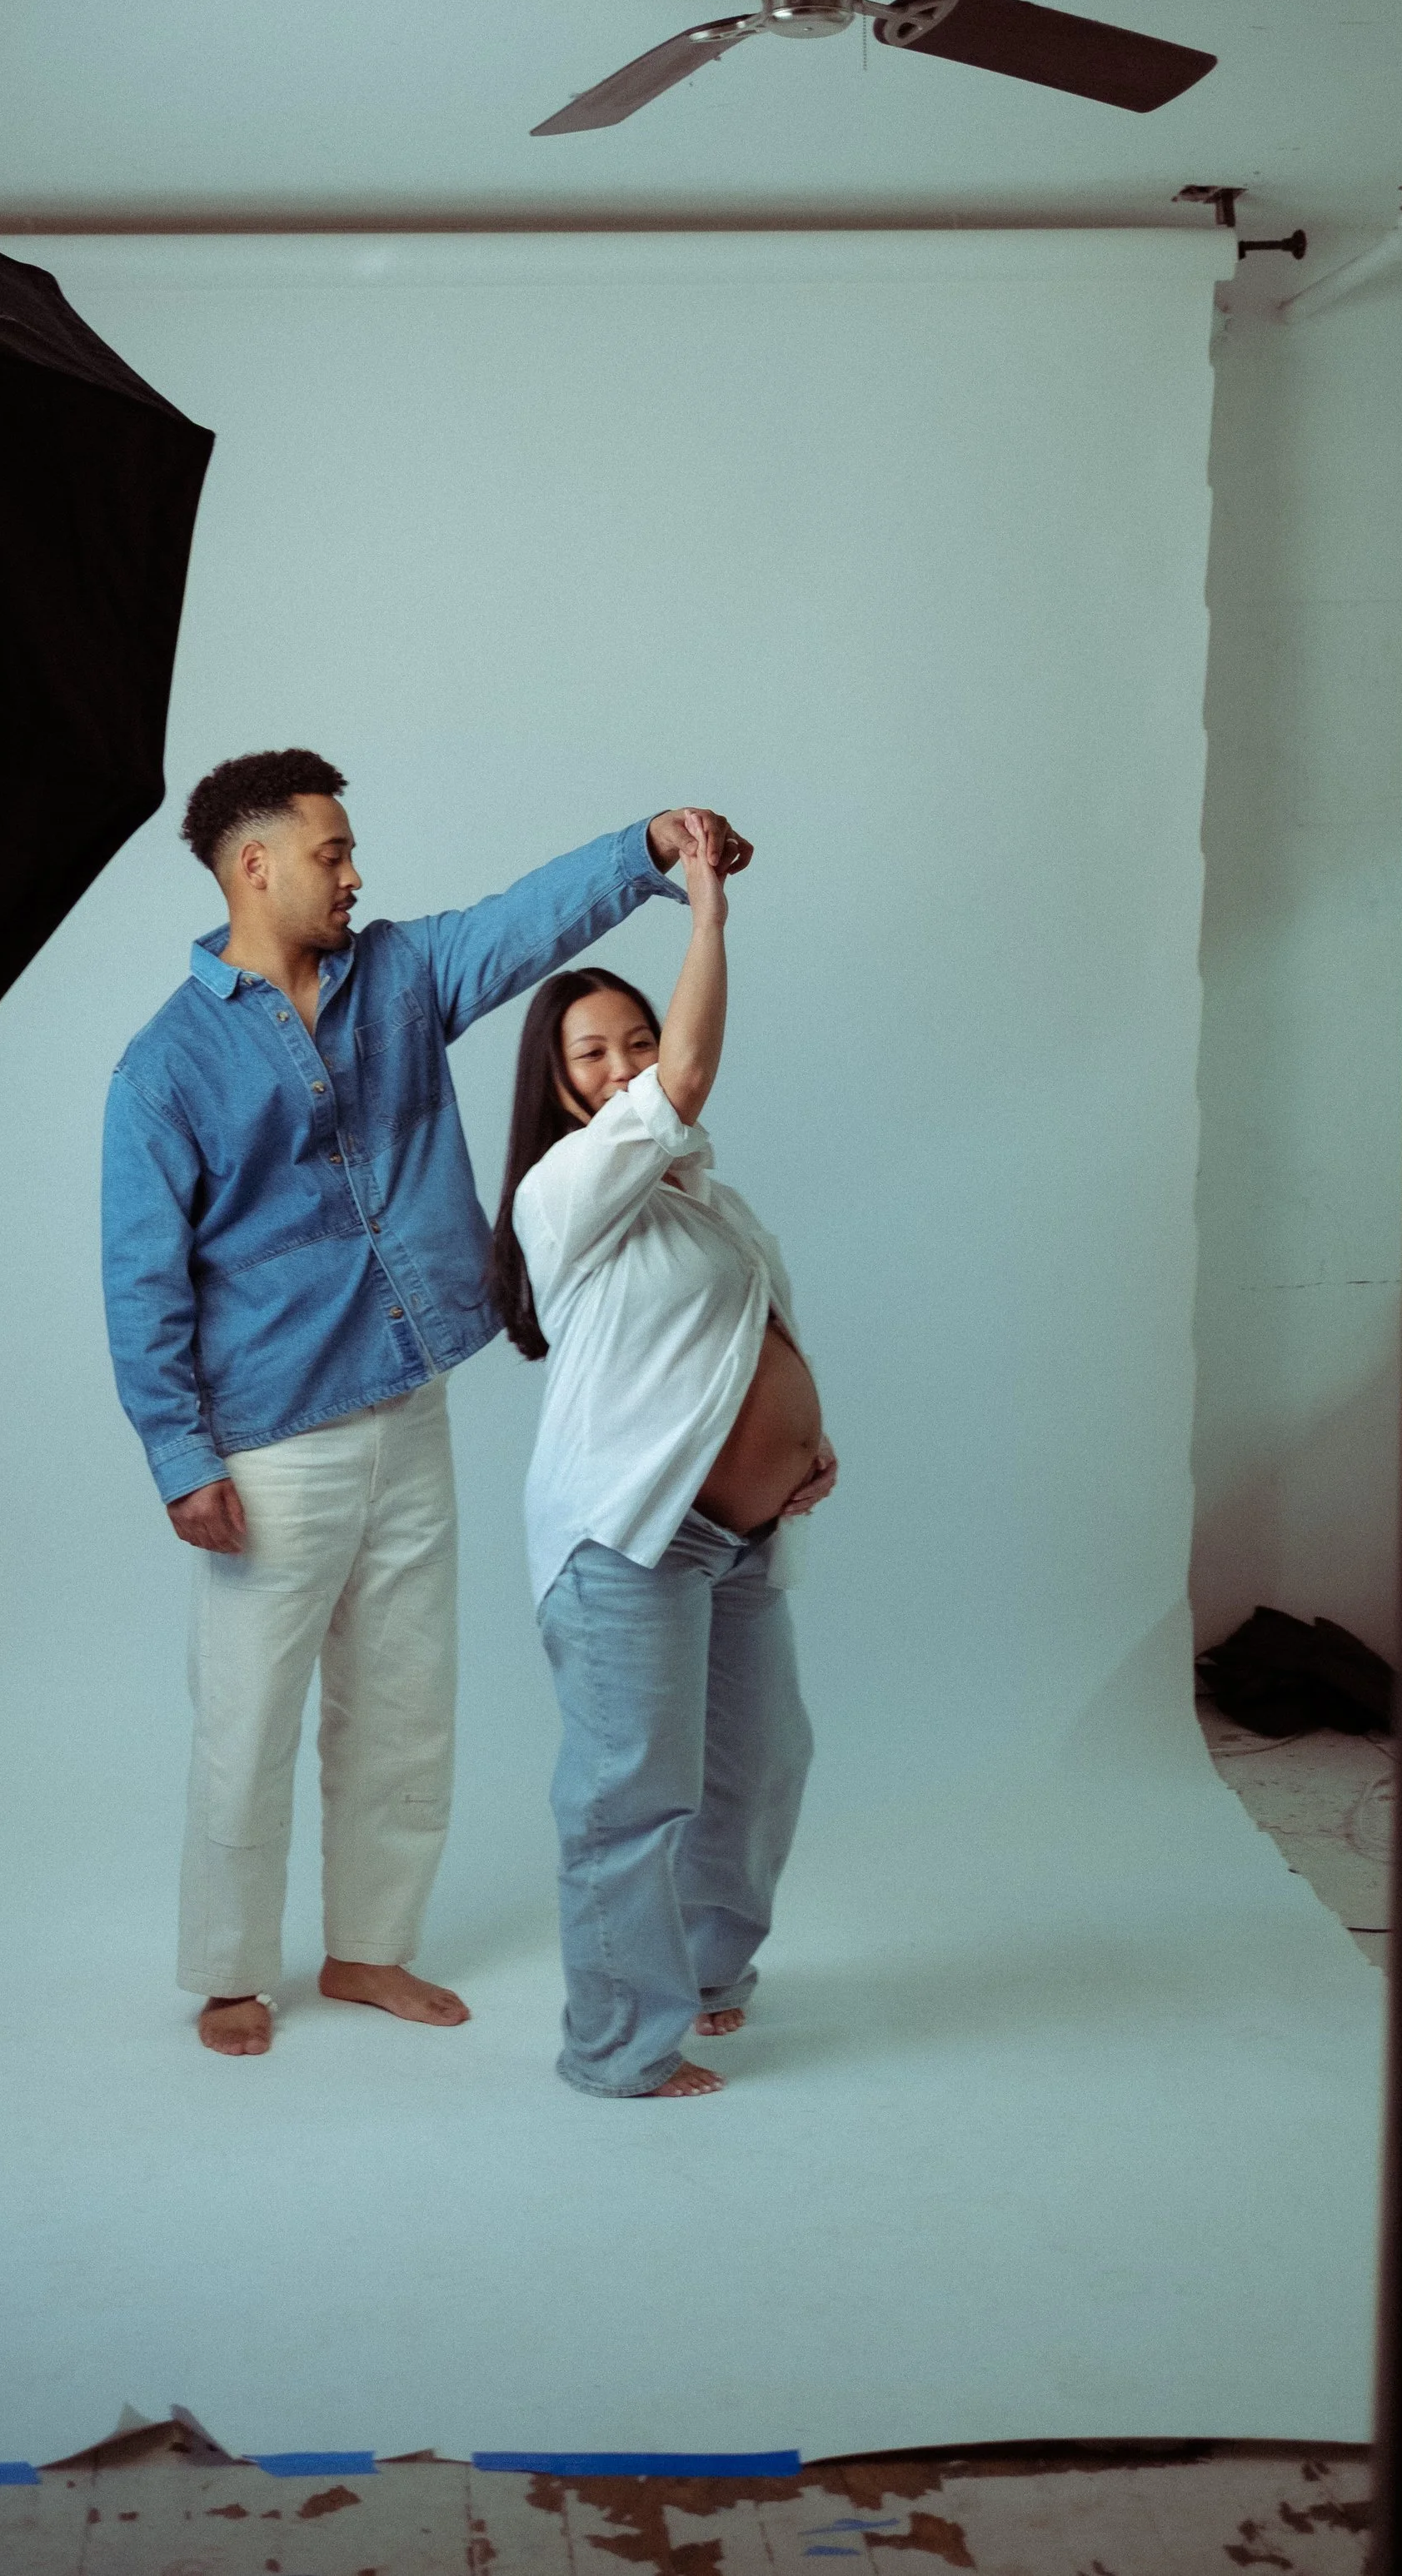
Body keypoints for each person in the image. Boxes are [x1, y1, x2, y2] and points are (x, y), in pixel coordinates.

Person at [102, 750, 752, 2058]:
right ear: (254, 866)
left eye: (351, 851)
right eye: (332, 853)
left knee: (402, 1702)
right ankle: (231, 1970)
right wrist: (181, 1454)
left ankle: (367, 1948)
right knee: (248, 1718)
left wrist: (648, 846)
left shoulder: (399, 975)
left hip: (411, 1404)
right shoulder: (165, 1066)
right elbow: (141, 1274)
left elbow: (526, 922)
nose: (355, 873)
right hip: (271, 1438)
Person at [491, 815, 836, 2096]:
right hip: (627, 1539)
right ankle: (618, 2044)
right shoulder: (565, 1188)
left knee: (760, 1768)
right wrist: (704, 911)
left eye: (637, 1038)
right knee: (630, 1797)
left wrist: (803, 1444)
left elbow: (746, 1338)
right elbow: (688, 1078)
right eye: (595, 1051)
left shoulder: (710, 1202)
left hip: (740, 1538)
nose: (628, 1063)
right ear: (560, 1083)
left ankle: (705, 1972)